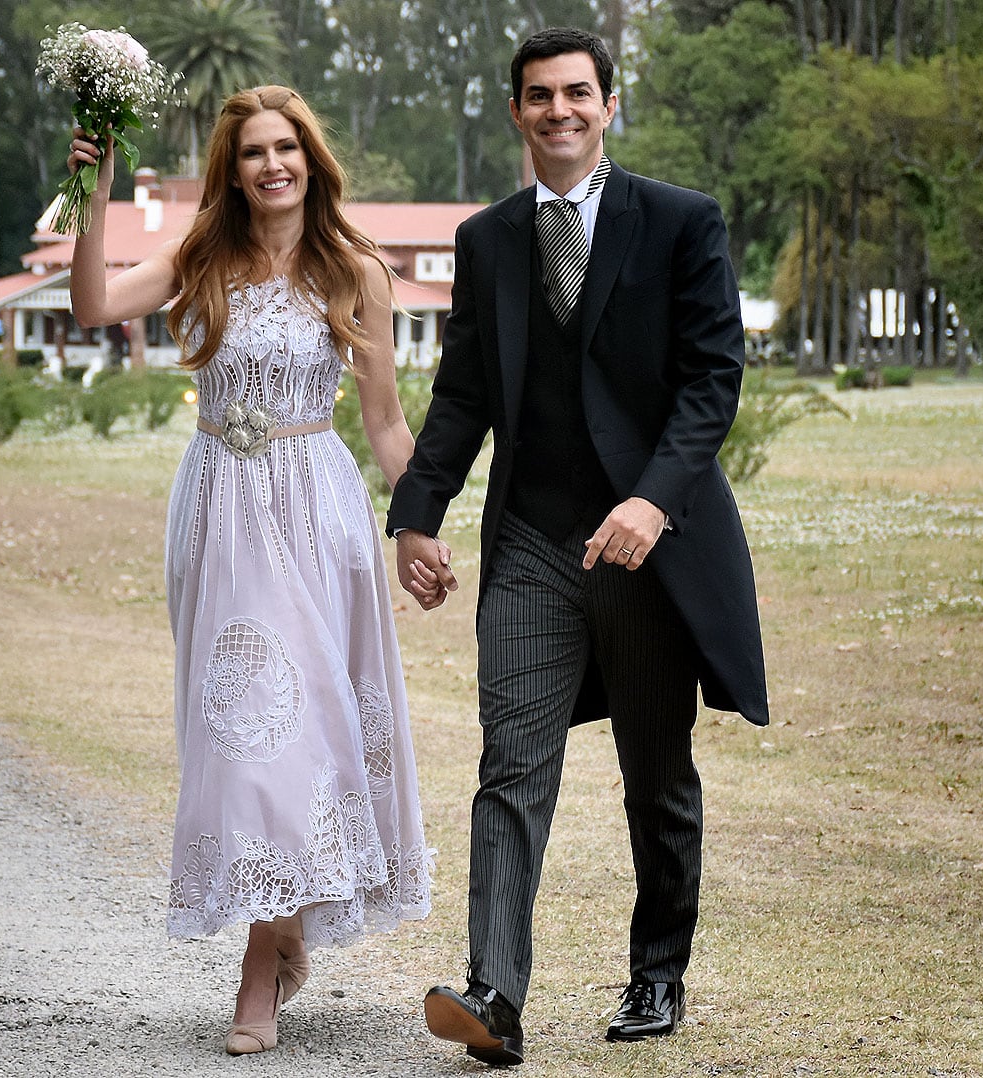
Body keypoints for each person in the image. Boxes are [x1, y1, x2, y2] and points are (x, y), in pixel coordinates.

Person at [386, 26, 770, 1067]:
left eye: (577, 94)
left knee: (657, 772)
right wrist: (418, 511)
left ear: (609, 106)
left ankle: (656, 974)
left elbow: (711, 380)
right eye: (538, 96)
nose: (559, 110)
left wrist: (653, 502)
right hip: (530, 545)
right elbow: (462, 394)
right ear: (516, 111)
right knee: (512, 764)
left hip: (650, 551)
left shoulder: (681, 222)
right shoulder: (487, 240)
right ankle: (495, 996)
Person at [66, 86, 437, 1056]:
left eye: (288, 148)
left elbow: (388, 421)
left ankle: (262, 965)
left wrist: (421, 524)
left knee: (313, 731)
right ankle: (276, 941)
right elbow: (95, 303)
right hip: (221, 511)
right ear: (230, 170)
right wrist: (94, 195)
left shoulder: (355, 269)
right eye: (253, 152)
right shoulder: (202, 261)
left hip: (318, 509)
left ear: (312, 159)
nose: (273, 165)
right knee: (245, 731)